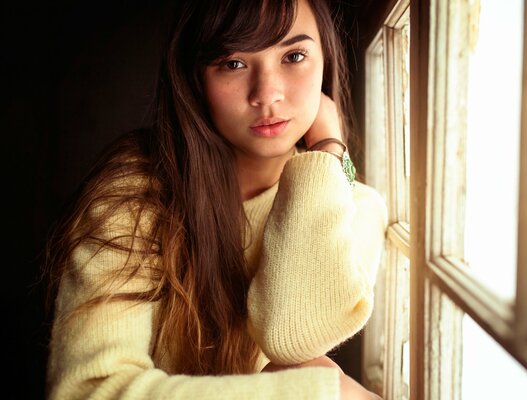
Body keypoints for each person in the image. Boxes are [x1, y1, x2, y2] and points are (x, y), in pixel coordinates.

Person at [42, 0, 387, 398]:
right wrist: (327, 394)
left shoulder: (356, 207)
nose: (267, 94)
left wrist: (328, 150)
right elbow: (87, 390)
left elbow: (291, 337)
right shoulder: (138, 192)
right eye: (233, 63)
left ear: (325, 60)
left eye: (294, 56)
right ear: (195, 78)